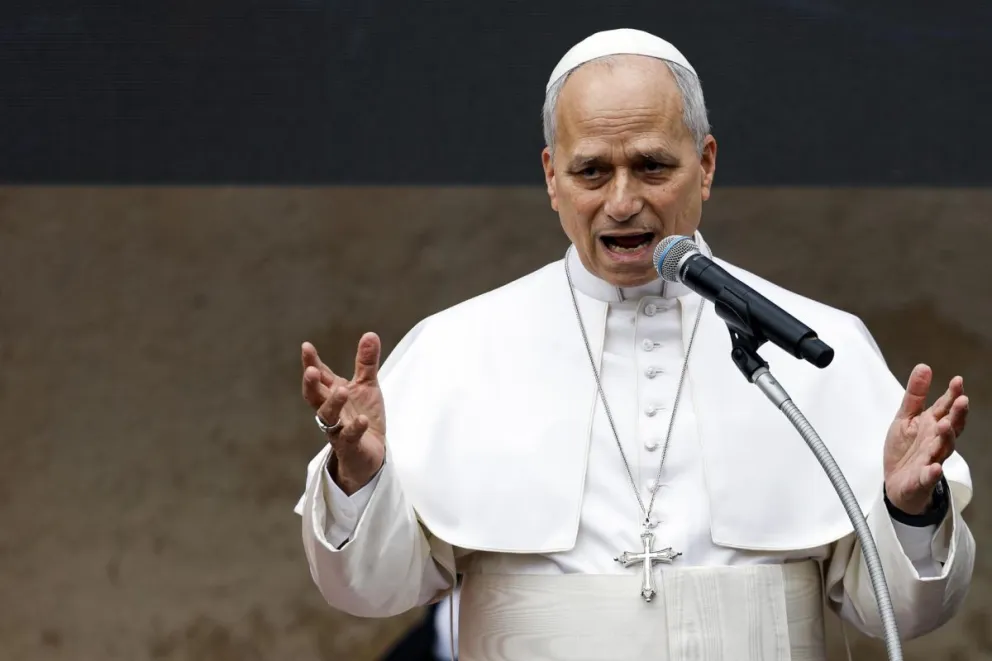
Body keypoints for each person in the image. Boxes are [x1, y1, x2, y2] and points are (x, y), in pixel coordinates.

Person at [294, 28, 975, 660]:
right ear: (551, 177)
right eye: (592, 171)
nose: (622, 201)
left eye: (652, 166)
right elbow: (372, 592)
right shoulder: (457, 347)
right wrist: (361, 480)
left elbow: (895, 608)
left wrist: (908, 509)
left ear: (705, 165)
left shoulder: (814, 342)